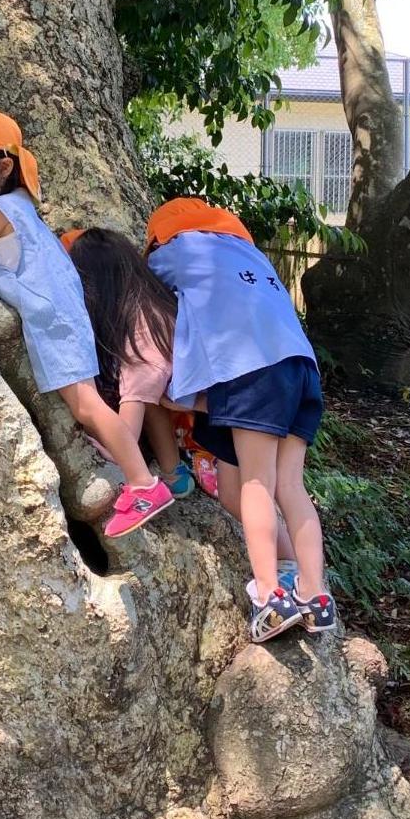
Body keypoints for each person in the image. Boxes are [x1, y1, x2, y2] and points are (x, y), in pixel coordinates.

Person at [0, 110, 173, 538]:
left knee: (87, 406)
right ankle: (140, 479)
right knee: (84, 406)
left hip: (54, 320)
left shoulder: (2, 208)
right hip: (54, 317)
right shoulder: (13, 207)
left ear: (3, 168)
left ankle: (143, 483)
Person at [146, 197, 336, 642]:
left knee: (256, 484)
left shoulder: (174, 249)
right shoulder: (250, 255)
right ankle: (314, 593)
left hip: (252, 369)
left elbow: (143, 290)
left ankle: (270, 595)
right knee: (288, 486)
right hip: (301, 368)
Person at [64, 226, 196, 498]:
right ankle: (174, 470)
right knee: (152, 400)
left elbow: (134, 403)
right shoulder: (149, 302)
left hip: (191, 407)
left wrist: (114, 449)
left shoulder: (142, 332)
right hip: (177, 397)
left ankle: (173, 475)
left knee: (140, 400)